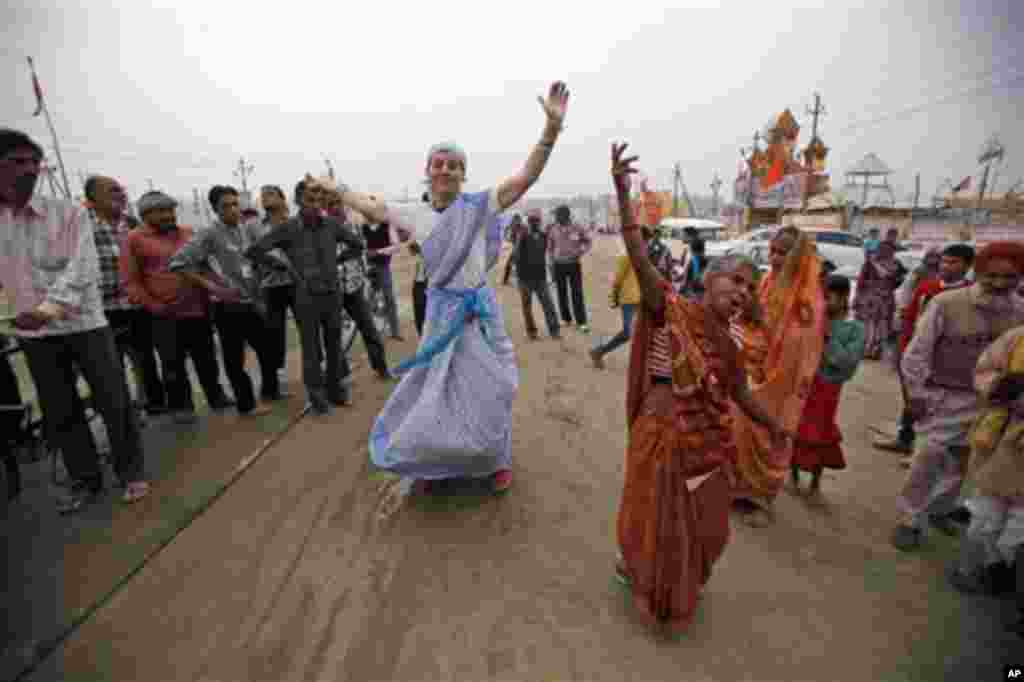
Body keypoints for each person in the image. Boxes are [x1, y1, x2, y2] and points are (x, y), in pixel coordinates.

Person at [335, 81, 569, 503]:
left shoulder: (482, 205)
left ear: (464, 174)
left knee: (494, 389)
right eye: (438, 164)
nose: (445, 170)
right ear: (428, 171)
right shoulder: (416, 214)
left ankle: (496, 459)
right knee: (435, 390)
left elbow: (526, 177)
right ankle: (433, 463)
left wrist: (550, 131)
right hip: (441, 316)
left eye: (453, 165)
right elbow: (371, 208)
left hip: (480, 314)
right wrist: (339, 191)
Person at [609, 142, 791, 633]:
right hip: (661, 428)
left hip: (706, 438)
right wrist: (623, 192)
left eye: (751, 288)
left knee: (706, 521)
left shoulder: (730, 343)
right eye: (736, 281)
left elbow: (740, 394)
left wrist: (775, 426)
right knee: (653, 512)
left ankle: (679, 575)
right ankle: (647, 577)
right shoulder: (668, 307)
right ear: (709, 282)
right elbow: (637, 252)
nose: (742, 293)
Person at [0, 128, 149, 511]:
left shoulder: (68, 214)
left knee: (113, 400)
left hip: (85, 325)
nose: (30, 169)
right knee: (60, 409)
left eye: (35, 161)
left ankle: (131, 472)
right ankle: (86, 479)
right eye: (18, 162)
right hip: (32, 335)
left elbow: (82, 269)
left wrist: (47, 310)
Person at [892, 241, 1024, 551]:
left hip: (993, 406)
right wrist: (915, 394)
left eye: (1010, 277)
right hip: (943, 396)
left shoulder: (1020, 312)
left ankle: (939, 511)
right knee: (928, 458)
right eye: (992, 276)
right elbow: (916, 353)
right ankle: (909, 518)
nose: (1000, 284)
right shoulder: (947, 303)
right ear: (978, 272)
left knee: (963, 465)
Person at [725, 225, 826, 526]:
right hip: (753, 368)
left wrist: (762, 333)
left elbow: (798, 348)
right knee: (738, 425)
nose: (775, 257)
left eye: (782, 252)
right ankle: (738, 490)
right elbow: (750, 320)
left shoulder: (809, 300)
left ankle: (761, 499)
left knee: (769, 433)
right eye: (772, 250)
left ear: (799, 256)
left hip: (781, 381)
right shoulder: (768, 280)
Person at [244, 177, 365, 415]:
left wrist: (338, 260)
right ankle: (317, 399)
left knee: (333, 346)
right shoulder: (287, 228)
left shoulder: (331, 225)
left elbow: (357, 244)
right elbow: (254, 251)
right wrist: (282, 266)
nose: (315, 203)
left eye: (319, 199)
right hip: (305, 297)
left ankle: (337, 393)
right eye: (310, 199)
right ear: (299, 200)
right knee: (310, 349)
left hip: (332, 294)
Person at [167, 185, 280, 415]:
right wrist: (214, 288)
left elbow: (250, 261)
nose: (232, 210)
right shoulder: (208, 234)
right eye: (225, 206)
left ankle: (270, 391)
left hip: (251, 302)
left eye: (235, 203)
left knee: (268, 349)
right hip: (227, 308)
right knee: (234, 359)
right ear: (215, 209)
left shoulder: (244, 231)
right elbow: (178, 263)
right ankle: (246, 405)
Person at [122, 190, 233, 423]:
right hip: (164, 315)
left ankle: (216, 396)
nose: (168, 216)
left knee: (207, 358)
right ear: (145, 215)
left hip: (198, 309)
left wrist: (221, 286)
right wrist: (153, 305)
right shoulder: (134, 239)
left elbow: (205, 267)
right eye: (160, 212)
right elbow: (131, 282)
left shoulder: (188, 233)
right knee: (172, 363)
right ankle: (181, 406)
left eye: (170, 210)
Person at [949, 323, 1024, 630]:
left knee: (1016, 528)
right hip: (1003, 443)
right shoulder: (1017, 338)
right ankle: (994, 572)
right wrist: (1008, 393)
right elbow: (987, 371)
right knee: (991, 515)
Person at [876, 244, 974, 458]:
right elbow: (909, 321)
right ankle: (905, 439)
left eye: (953, 262)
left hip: (948, 363)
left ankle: (923, 452)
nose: (946, 266)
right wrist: (904, 352)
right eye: (944, 261)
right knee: (912, 398)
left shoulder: (969, 294)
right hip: (918, 356)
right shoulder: (927, 288)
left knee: (939, 410)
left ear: (967, 266)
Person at [84, 174, 167, 416]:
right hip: (102, 310)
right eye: (112, 190)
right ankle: (120, 412)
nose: (121, 194)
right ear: (92, 198)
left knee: (145, 359)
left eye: (121, 189)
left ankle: (154, 404)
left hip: (136, 305)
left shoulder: (134, 226)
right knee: (109, 365)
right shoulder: (82, 227)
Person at [790, 274, 866, 497]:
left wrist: (827, 334)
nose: (822, 301)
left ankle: (815, 480)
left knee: (821, 431)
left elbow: (847, 364)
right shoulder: (812, 320)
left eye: (828, 297)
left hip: (828, 389)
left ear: (844, 297)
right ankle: (792, 475)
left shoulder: (855, 329)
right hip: (805, 385)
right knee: (796, 427)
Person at [589, 226, 660, 369]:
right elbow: (618, 278)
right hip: (628, 298)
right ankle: (599, 351)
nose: (646, 243)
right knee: (627, 333)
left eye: (647, 241)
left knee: (646, 332)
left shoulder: (645, 255)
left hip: (642, 298)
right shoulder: (627, 255)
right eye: (645, 240)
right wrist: (614, 295)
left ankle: (646, 364)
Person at [249, 184, 297, 383]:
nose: (265, 198)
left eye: (270, 194)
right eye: (263, 196)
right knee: (274, 331)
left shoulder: (294, 223)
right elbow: (250, 254)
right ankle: (278, 373)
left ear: (281, 198)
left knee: (308, 325)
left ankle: (318, 365)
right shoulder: (254, 226)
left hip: (296, 282)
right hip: (270, 285)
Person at [853, 241, 905, 360]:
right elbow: (861, 280)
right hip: (869, 299)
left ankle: (876, 351)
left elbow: (899, 280)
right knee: (868, 325)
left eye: (889, 249)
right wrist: (858, 296)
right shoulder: (870, 262)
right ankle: (866, 350)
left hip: (885, 300)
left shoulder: (896, 264)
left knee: (881, 326)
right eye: (883, 249)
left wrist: (889, 286)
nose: (886, 251)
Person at [547, 204, 593, 333]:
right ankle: (566, 319)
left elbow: (588, 241)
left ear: (565, 215)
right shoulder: (553, 229)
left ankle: (582, 322)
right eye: (555, 215)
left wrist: (581, 251)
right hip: (558, 265)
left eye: (557, 215)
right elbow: (550, 247)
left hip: (573, 264)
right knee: (561, 293)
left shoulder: (577, 227)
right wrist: (551, 261)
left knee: (576, 293)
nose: (556, 217)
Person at [516, 208, 560, 341]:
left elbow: (545, 255)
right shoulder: (523, 236)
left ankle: (554, 331)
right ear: (529, 222)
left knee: (549, 305)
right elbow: (517, 256)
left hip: (540, 277)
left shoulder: (543, 236)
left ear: (540, 222)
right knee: (527, 307)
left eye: (536, 220)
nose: (534, 223)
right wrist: (521, 273)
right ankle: (532, 332)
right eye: (532, 220)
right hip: (525, 278)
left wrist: (551, 273)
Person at [362, 219, 404, 340]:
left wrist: (378, 252)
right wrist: (366, 252)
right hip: (367, 266)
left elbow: (396, 247)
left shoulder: (388, 225)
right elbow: (360, 244)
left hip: (383, 266)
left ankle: (395, 331)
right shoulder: (363, 226)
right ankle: (371, 330)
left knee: (389, 298)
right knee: (367, 300)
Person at [501, 213, 525, 286]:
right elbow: (507, 236)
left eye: (518, 220)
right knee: (508, 265)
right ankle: (505, 280)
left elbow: (522, 238)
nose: (517, 221)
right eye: (515, 220)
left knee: (519, 265)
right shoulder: (511, 227)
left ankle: (521, 280)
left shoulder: (522, 227)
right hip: (512, 249)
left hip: (520, 249)